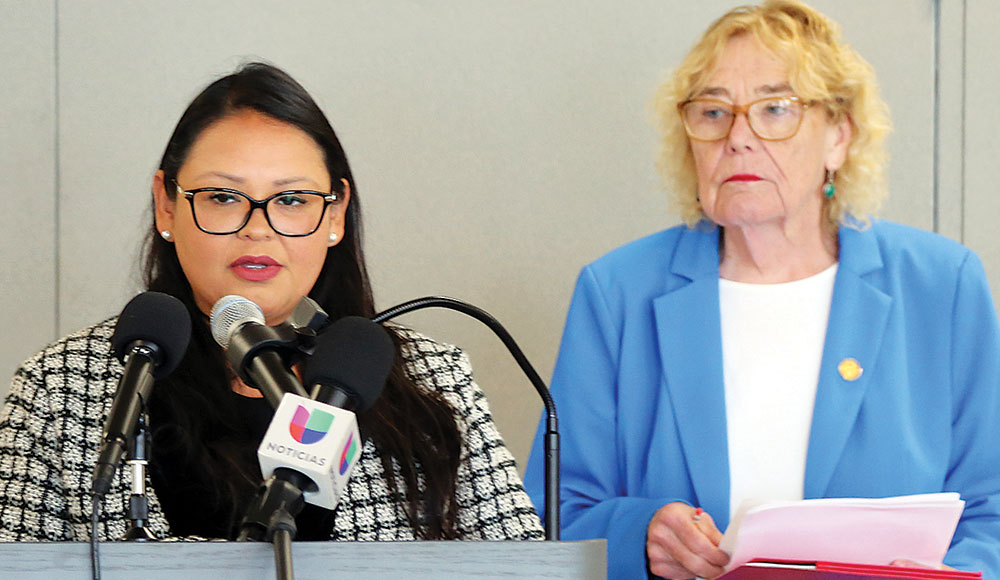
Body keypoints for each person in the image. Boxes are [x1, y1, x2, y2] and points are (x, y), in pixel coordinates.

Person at [524, 1, 1000, 578]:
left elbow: (991, 510)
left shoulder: (941, 287)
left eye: (775, 109)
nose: (738, 137)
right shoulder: (618, 291)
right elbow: (548, 517)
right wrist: (638, 535)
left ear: (839, 137)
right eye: (713, 112)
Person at [0, 62, 543, 543]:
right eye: (222, 197)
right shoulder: (61, 389)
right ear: (166, 205)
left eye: (290, 200)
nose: (258, 229)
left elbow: (523, 566)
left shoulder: (432, 379)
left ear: (334, 214)